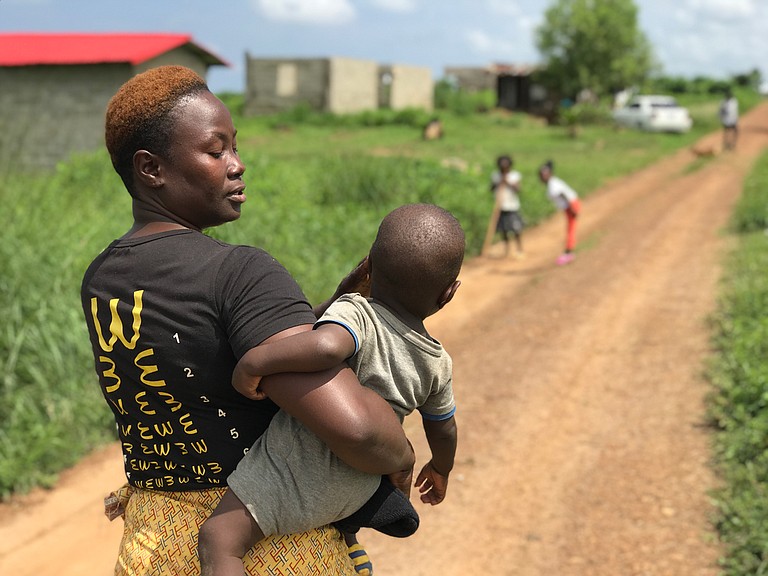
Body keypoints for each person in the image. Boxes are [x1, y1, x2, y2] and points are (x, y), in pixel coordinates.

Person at [80, 65, 414, 576]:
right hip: (267, 544)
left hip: (153, 545)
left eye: (235, 147)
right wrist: (400, 450)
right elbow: (358, 432)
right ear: (151, 168)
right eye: (216, 151)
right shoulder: (239, 273)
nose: (237, 165)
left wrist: (315, 313)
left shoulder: (102, 278)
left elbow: (196, 356)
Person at [198, 203, 464, 576]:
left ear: (367, 266)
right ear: (448, 293)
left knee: (218, 540)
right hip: (360, 485)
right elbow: (444, 426)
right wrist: (441, 468)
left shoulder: (358, 312)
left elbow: (324, 346)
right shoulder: (439, 363)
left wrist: (256, 361)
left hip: (296, 473)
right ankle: (349, 540)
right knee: (339, 508)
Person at [538, 160, 581, 265]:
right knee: (570, 228)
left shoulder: (553, 184)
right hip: (569, 206)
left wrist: (572, 209)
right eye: (542, 175)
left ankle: (568, 252)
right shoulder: (552, 183)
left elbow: (563, 195)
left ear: (550, 174)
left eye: (545, 174)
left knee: (571, 229)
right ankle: (568, 251)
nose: (544, 177)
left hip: (571, 205)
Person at [489, 154, 525, 258]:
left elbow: (518, 189)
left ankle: (519, 249)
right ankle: (507, 250)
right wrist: (498, 182)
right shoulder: (495, 175)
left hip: (512, 206)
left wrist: (507, 182)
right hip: (500, 207)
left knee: (516, 229)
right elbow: (491, 188)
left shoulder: (514, 175)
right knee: (503, 230)